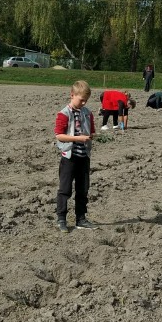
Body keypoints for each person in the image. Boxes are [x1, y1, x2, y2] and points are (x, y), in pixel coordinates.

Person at [54, 81, 97, 232]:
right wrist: (78, 138)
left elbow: (91, 131)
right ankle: (61, 219)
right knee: (65, 189)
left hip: (83, 157)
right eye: (81, 100)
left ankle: (81, 219)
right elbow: (59, 136)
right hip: (69, 157)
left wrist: (90, 136)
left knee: (83, 189)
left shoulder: (88, 113)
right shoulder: (63, 114)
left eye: (86, 100)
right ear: (72, 95)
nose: (84, 103)